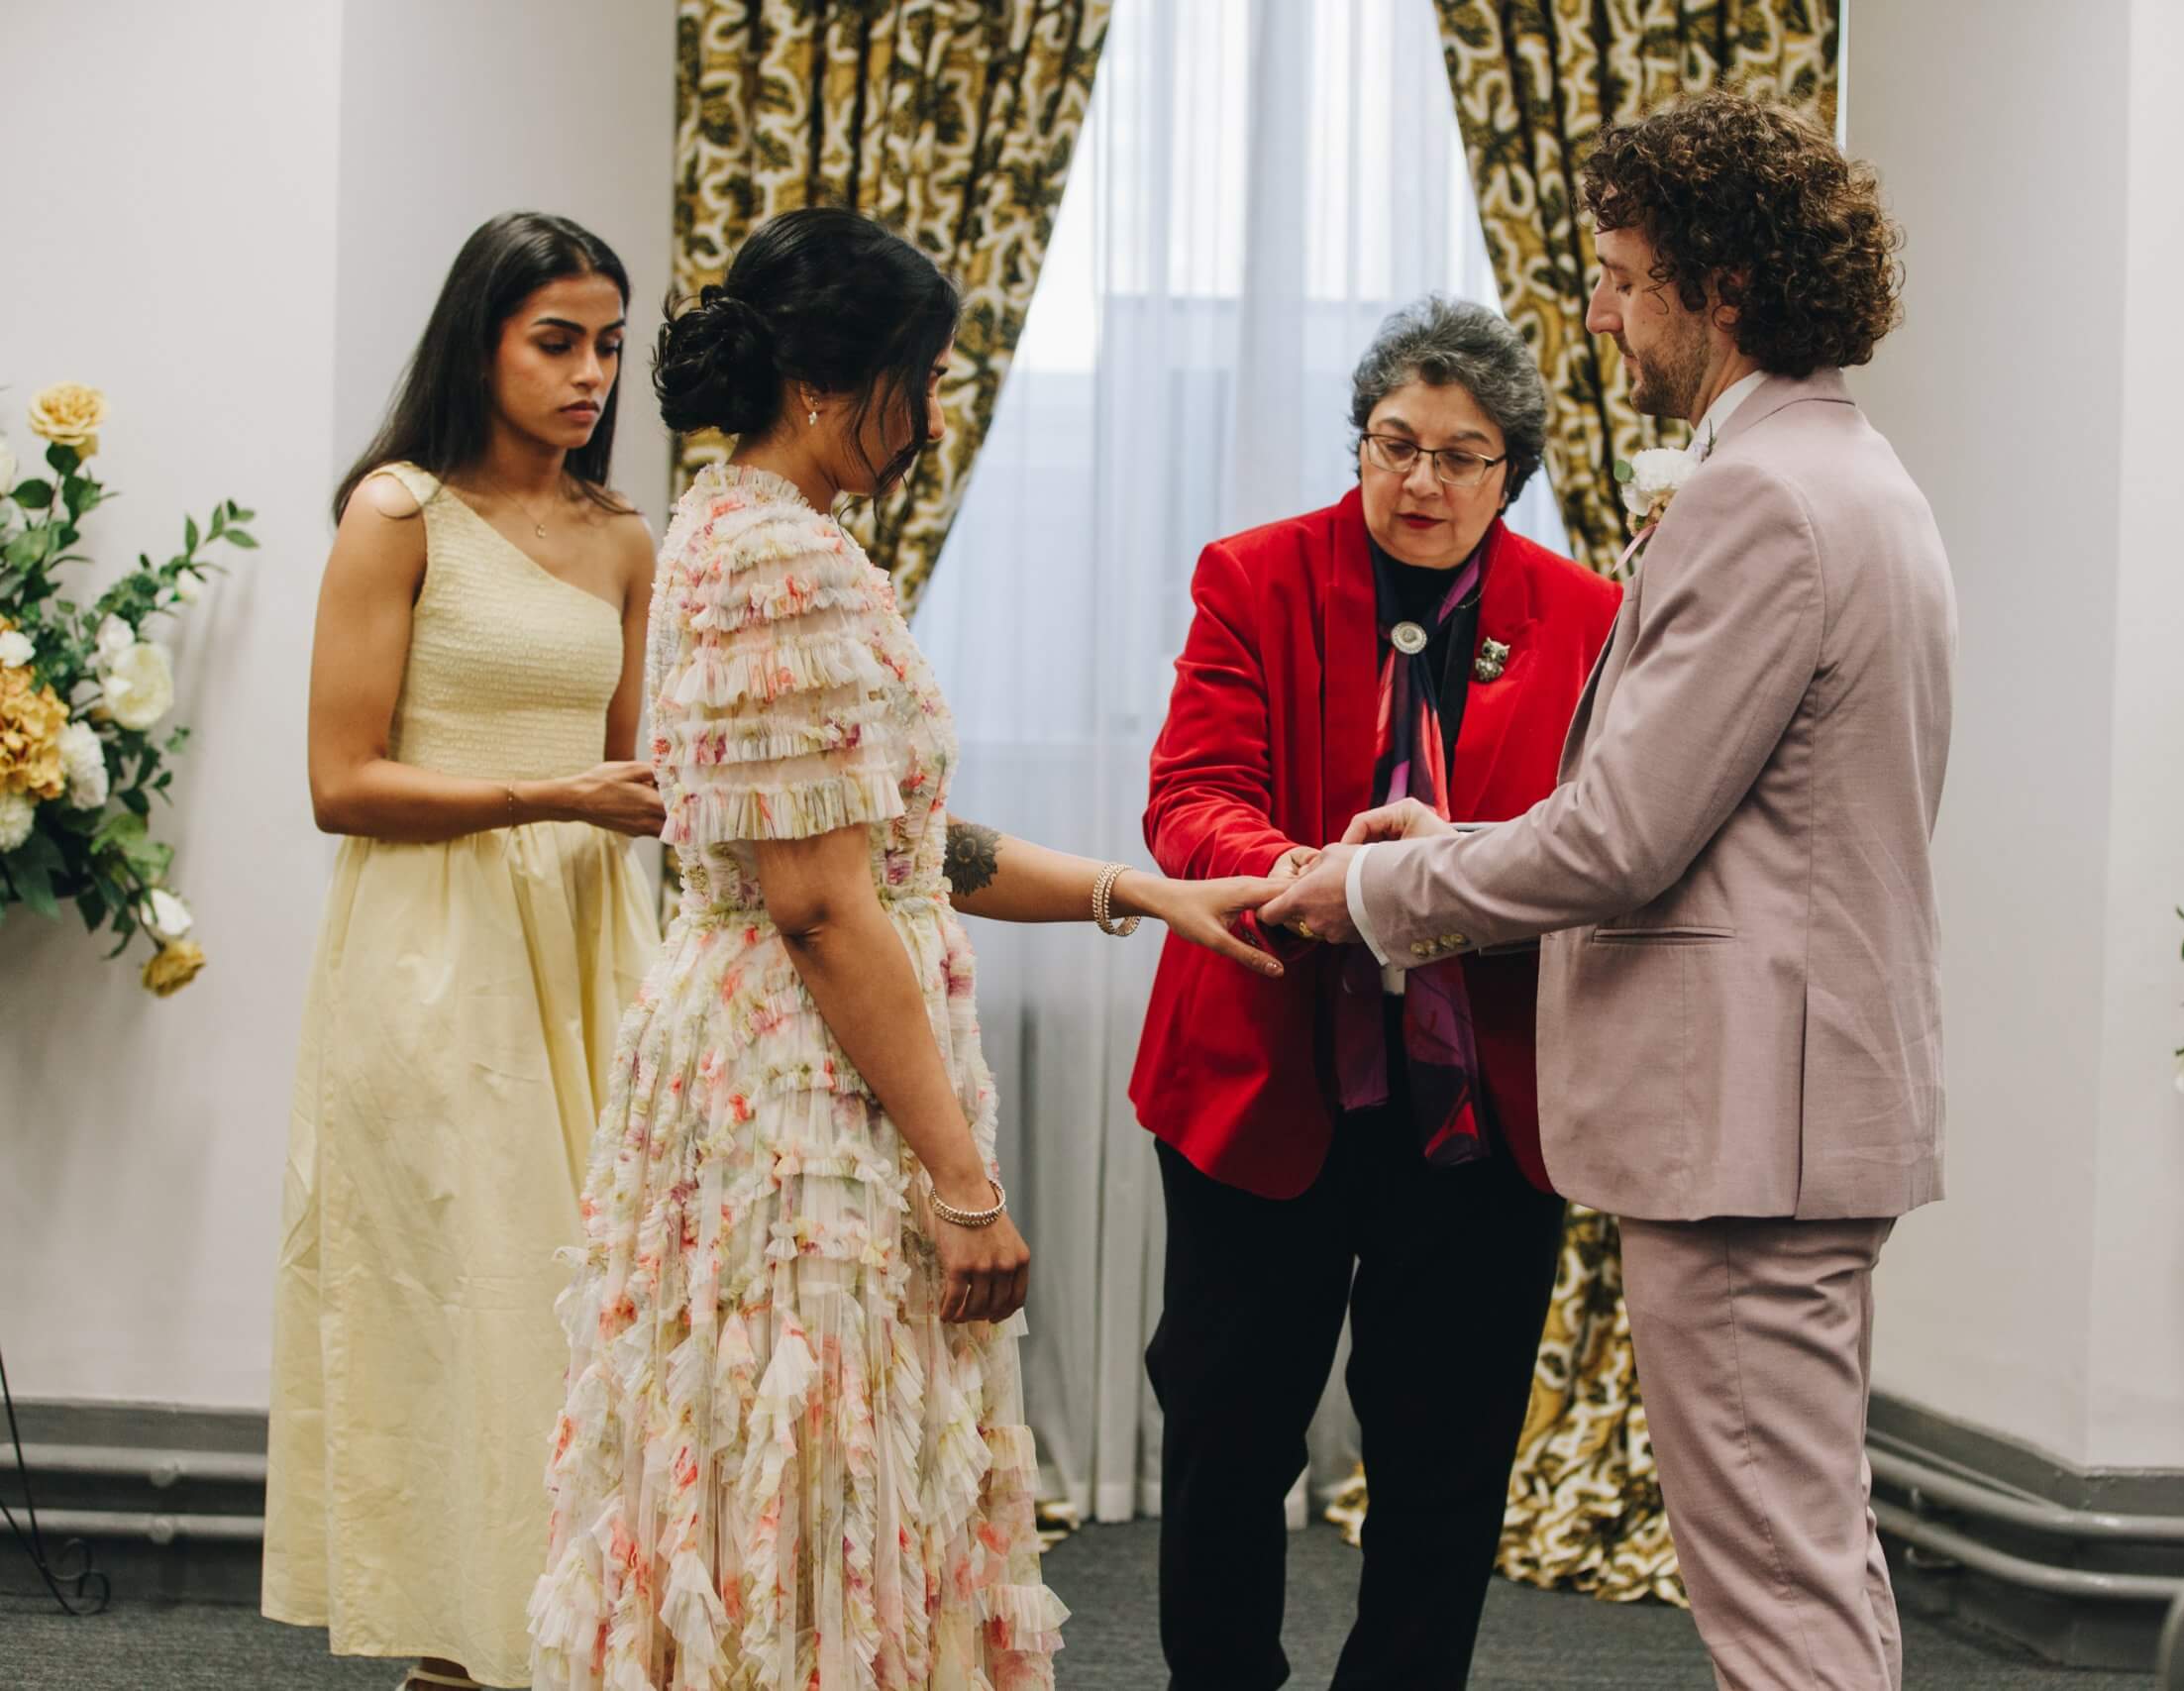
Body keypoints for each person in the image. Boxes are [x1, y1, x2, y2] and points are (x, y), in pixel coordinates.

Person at [526, 206, 1286, 1691]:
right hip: (802, 1095)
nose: (934, 418)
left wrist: (1138, 893)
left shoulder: (736, 532)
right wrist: (965, 1184)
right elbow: (820, 903)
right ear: (826, 382)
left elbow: (887, 847)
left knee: (790, 1478)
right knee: (816, 1482)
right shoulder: (783, 563)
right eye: (923, 378)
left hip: (780, 1061)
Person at [1266, 90, 1953, 1691]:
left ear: (1719, 290)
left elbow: (1618, 841)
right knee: (1812, 1558)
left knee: (1774, 1595)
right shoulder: (1855, 474)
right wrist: (1444, 838)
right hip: (1803, 1108)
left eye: (1624, 274)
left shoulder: (1756, 498)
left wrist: (1375, 893)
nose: (1600, 309)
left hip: (1749, 1134)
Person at [1132, 296, 1622, 1690]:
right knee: (1230, 1427)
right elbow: (1189, 798)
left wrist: (1441, 888)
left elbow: (1603, 837)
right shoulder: (1254, 575)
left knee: (1446, 1448)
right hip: (1262, 1075)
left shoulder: (1589, 618)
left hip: (1484, 1106)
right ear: (1358, 449)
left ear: (1510, 472)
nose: (1420, 481)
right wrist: (1303, 874)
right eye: (1394, 444)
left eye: (1462, 455)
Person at [264, 211, 667, 1691]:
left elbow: (632, 779)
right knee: (476, 1300)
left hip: (591, 950)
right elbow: (339, 781)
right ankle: (454, 1658)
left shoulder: (627, 535)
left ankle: (566, 1646)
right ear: (480, 341)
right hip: (431, 958)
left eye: (609, 344)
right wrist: (542, 794)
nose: (589, 373)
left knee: (595, 1303)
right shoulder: (397, 514)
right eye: (555, 340)